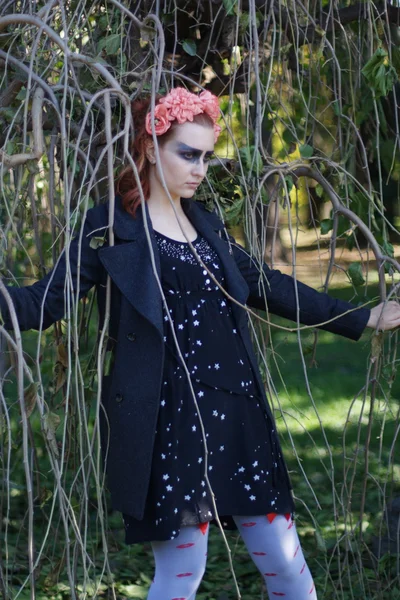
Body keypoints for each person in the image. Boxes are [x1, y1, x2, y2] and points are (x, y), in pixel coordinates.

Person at [1, 87, 400, 600]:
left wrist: (363, 315)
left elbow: (269, 286)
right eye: (187, 153)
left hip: (238, 416)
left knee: (287, 569)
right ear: (149, 149)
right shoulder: (113, 229)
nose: (200, 169)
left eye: (206, 156)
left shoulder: (206, 223)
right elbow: (44, 303)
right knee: (181, 576)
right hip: (169, 425)